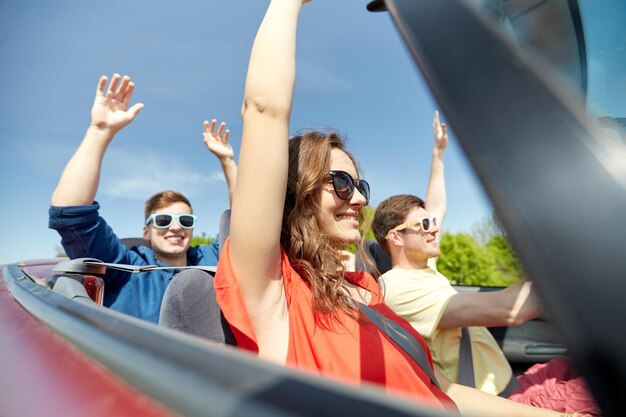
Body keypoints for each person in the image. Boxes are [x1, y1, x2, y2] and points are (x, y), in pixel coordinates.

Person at [214, 1, 582, 415]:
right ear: (295, 194)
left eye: (360, 185)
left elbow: (444, 392)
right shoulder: (274, 293)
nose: (358, 198)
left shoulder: (367, 291)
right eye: (341, 183)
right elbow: (264, 111)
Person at [370, 113, 599, 416]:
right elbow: (511, 309)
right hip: (499, 404)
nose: (434, 227)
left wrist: (438, 155)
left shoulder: (425, 270)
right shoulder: (398, 288)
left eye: (432, 222)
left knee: (593, 367)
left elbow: (435, 205)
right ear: (396, 238)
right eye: (423, 224)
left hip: (515, 384)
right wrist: (586, 268)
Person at [49, 73, 237, 324]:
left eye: (185, 220)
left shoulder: (210, 258)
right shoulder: (124, 268)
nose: (175, 227)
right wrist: (100, 131)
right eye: (162, 220)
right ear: (146, 230)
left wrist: (227, 162)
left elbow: (246, 221)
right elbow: (70, 214)